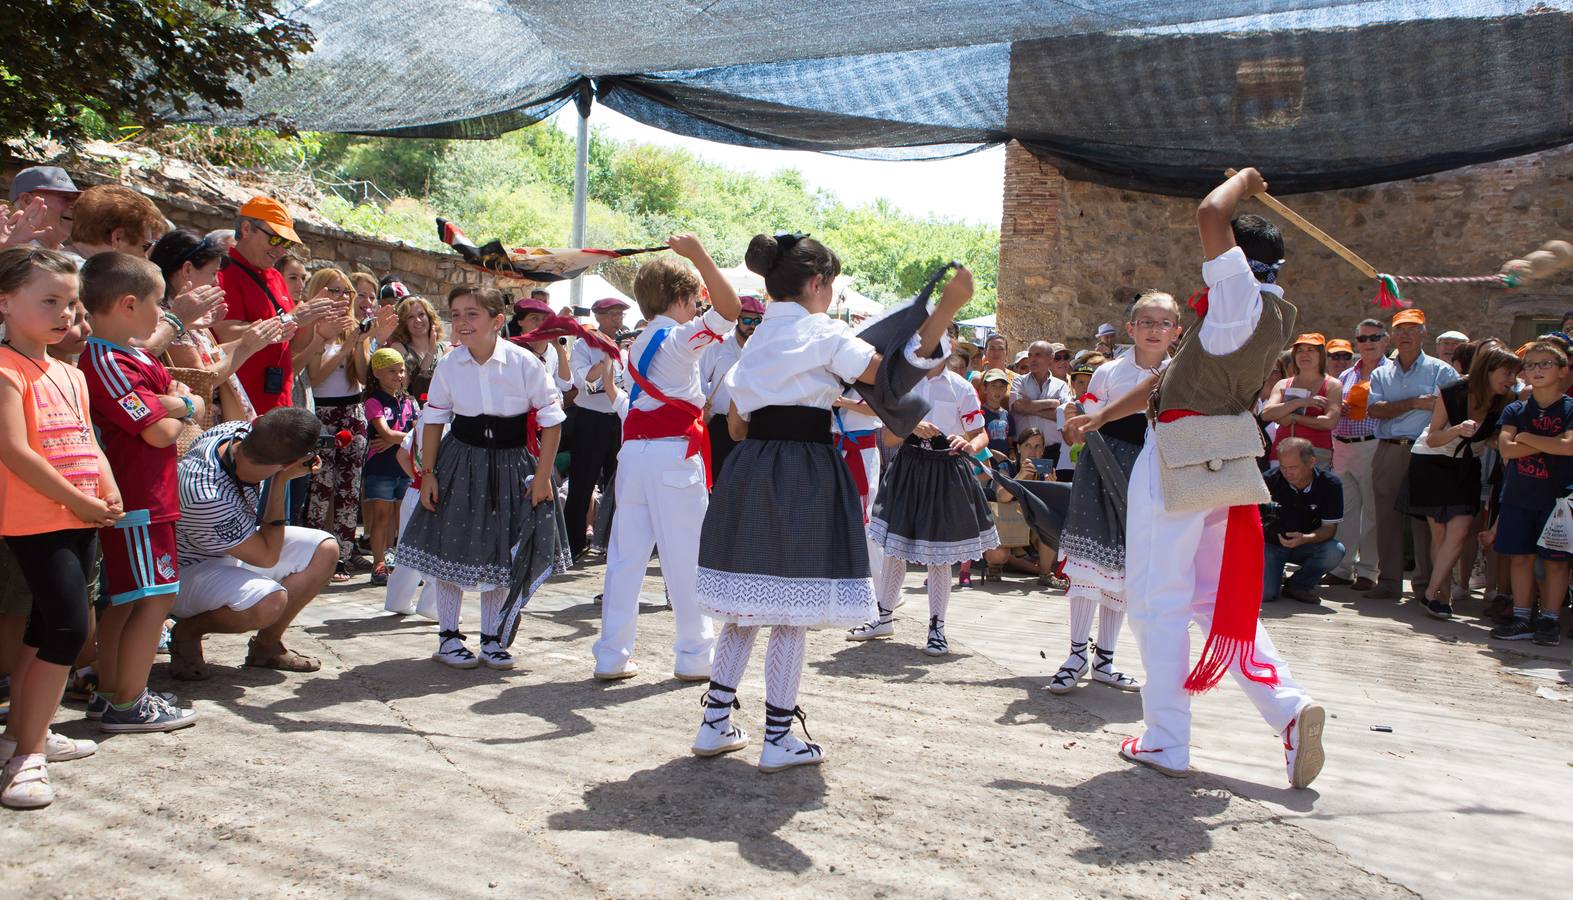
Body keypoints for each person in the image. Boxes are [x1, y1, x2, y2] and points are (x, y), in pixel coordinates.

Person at [1067, 168, 1325, 789]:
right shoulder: (1257, 314)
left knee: (1157, 602)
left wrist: (1244, 180)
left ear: (1237, 256)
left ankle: (1165, 740)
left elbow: (1211, 212)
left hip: (1177, 461)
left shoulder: (1237, 298)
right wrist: (1102, 413)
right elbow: (1169, 381)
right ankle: (1288, 710)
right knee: (1216, 602)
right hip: (1220, 461)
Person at [693, 232, 971, 770]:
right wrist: (948, 308)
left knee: (746, 608)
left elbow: (735, 422)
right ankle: (778, 738)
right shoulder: (822, 332)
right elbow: (891, 378)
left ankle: (715, 723)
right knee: (791, 613)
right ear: (817, 283)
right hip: (803, 468)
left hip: (749, 470)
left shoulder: (755, 342)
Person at [592, 237, 739, 682]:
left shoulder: (639, 342)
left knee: (624, 559)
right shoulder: (677, 339)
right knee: (685, 559)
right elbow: (730, 309)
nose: (699, 308)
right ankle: (695, 655)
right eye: (694, 301)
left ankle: (611, 656)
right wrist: (699, 256)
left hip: (634, 457)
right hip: (674, 457)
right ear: (679, 299)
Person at [0, 247, 116, 809]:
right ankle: (27, 756)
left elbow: (86, 438)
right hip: (36, 521)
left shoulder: (70, 372)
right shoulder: (5, 370)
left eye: (70, 303)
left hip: (80, 515)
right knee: (69, 630)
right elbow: (16, 453)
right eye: (48, 301)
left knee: (42, 629)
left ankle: (23, 736)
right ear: (5, 301)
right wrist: (79, 500)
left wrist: (107, 487)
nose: (64, 314)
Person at [400, 287, 566, 670]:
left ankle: (492, 638)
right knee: (451, 548)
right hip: (460, 461)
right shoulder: (450, 365)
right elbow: (435, 419)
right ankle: (447, 637)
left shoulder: (525, 363)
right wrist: (428, 474)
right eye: (456, 314)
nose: (461, 322)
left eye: (471, 314)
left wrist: (543, 479)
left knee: (501, 550)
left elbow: (552, 423)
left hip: (513, 464)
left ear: (496, 321)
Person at [76, 252, 201, 733]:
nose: (161, 314)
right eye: (157, 303)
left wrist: (169, 401)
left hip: (151, 500)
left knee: (130, 600)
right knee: (153, 599)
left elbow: (160, 406)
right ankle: (129, 702)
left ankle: (113, 694)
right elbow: (157, 431)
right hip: (138, 503)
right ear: (128, 305)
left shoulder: (125, 356)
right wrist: (184, 404)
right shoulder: (105, 361)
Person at [1052, 290, 1177, 694]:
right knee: (1090, 559)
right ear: (1131, 328)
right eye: (1146, 322)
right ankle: (1075, 655)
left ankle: (1105, 659)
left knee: (1126, 566)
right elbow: (1085, 418)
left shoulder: (1181, 374)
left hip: (1151, 472)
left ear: (1177, 330)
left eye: (1164, 323)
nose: (1155, 330)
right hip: (1101, 469)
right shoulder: (1109, 372)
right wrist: (1074, 422)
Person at [168, 408, 337, 680]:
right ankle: (187, 631)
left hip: (226, 548)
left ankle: (266, 647)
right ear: (287, 463)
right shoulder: (208, 495)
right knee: (268, 602)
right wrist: (281, 481)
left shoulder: (235, 431)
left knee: (325, 549)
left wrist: (280, 469)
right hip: (186, 570)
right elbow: (268, 556)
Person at [855, 334, 997, 653]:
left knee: (938, 554)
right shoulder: (906, 385)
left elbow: (980, 434)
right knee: (895, 546)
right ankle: (884, 617)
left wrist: (968, 444)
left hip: (945, 469)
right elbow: (889, 438)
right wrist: (910, 426)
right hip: (909, 466)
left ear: (951, 348)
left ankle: (937, 628)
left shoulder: (961, 388)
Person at [1409, 345, 1520, 618]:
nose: (1511, 380)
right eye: (1507, 373)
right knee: (1441, 535)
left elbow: (1493, 436)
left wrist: (1497, 441)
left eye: (1514, 374)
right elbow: (1433, 436)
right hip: (1432, 463)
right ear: (1489, 370)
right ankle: (1441, 597)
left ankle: (1430, 593)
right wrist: (1457, 430)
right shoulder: (1452, 391)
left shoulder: (1506, 400)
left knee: (1458, 532)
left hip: (1467, 466)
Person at [213, 196, 343, 416]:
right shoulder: (223, 272)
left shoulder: (275, 276)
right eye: (275, 239)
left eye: (287, 243)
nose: (282, 250)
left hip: (280, 400)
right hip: (241, 403)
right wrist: (290, 319)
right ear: (246, 229)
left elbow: (295, 345)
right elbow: (225, 335)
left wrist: (312, 318)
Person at [304, 269, 392, 581]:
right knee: (321, 488)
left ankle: (341, 555)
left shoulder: (352, 328)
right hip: (323, 415)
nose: (342, 298)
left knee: (348, 490)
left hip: (352, 411)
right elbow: (314, 377)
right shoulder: (314, 328)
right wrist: (340, 345)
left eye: (346, 292)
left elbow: (361, 375)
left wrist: (359, 342)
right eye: (335, 290)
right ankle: (315, 558)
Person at [1366, 308, 1460, 600]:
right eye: (1400, 329)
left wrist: (1399, 406)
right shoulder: (1382, 372)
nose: (1405, 335)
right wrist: (1414, 403)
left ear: (1424, 333)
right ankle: (1389, 581)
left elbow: (1451, 408)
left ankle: (1425, 584)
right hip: (1390, 449)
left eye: (1412, 329)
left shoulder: (1441, 371)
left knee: (1425, 519)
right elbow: (1374, 410)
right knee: (1387, 517)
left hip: (1427, 452)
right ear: (1392, 335)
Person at [149, 229, 287, 425]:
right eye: (213, 273)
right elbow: (202, 380)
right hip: (198, 429)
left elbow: (209, 355)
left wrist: (256, 339)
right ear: (187, 270)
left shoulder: (185, 310)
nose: (216, 282)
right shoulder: (169, 316)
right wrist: (245, 348)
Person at [1488, 341, 1573, 646]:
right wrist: (1546, 442)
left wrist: (1525, 437)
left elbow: (1569, 446)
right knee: (1520, 558)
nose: (1537, 370)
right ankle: (1523, 616)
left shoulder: (1570, 409)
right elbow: (1506, 448)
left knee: (1555, 561)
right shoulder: (1516, 408)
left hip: (1557, 501)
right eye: (1531, 365)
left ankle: (1550, 619)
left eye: (1545, 364)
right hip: (1518, 495)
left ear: (1563, 371)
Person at [1325, 319, 1391, 592]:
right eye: (1363, 339)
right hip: (1342, 444)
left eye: (1375, 337)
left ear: (1386, 340)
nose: (1369, 343)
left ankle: (1367, 570)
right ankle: (1343, 567)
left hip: (1372, 443)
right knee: (1347, 510)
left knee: (1372, 512)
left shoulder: (1391, 372)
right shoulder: (1346, 375)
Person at [565, 296, 632, 560]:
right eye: (613, 314)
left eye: (620, 315)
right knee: (582, 484)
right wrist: (606, 354)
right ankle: (573, 544)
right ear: (598, 317)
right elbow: (582, 381)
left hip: (619, 418)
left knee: (620, 484)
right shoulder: (584, 345)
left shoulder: (628, 346)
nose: (618, 320)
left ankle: (613, 544)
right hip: (590, 418)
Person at [1263, 438, 1345, 605]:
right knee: (1266, 594)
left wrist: (1306, 538)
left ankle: (1299, 585)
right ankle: (1274, 576)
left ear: (1312, 462)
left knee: (1334, 550)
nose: (1287, 473)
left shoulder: (1330, 484)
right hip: (1271, 546)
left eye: (1293, 467)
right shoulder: (1267, 481)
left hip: (1308, 543)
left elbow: (1329, 529)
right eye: (1283, 467)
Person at [363, 349, 420, 587]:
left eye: (402, 371)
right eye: (392, 371)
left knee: (404, 517)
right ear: (377, 373)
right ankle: (378, 564)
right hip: (381, 468)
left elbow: (419, 432)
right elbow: (384, 432)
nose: (399, 375)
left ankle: (404, 565)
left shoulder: (409, 401)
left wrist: (394, 438)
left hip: (405, 469)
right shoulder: (374, 401)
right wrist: (399, 437)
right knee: (381, 517)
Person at [700, 294, 765, 477]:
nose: (752, 325)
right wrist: (703, 405)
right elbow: (699, 377)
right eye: (746, 319)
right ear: (737, 320)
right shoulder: (718, 346)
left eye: (757, 321)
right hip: (720, 423)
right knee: (718, 476)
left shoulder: (764, 349)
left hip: (753, 425)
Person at [1260, 333, 1342, 467]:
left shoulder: (1332, 385)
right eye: (1300, 351)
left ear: (1321, 355)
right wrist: (1301, 402)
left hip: (1315, 454)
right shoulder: (1283, 384)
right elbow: (1266, 413)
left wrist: (1293, 418)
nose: (1304, 354)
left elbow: (1329, 422)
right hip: (1282, 454)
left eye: (1311, 350)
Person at [1011, 341, 1073, 478]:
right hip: (1025, 450)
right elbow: (1018, 406)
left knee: (1049, 491)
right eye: (1030, 355)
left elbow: (1063, 415)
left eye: (1038, 355)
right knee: (1026, 490)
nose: (1032, 359)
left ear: (1050, 358)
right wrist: (1052, 403)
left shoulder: (1061, 386)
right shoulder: (1018, 381)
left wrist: (1029, 407)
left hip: (1052, 452)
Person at [386, 295, 449, 398]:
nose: (418, 320)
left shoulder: (445, 348)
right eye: (410, 317)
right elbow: (404, 388)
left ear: (429, 317)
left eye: (421, 315)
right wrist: (430, 352)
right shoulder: (399, 349)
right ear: (404, 323)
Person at [5, 166, 80, 250]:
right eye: (65, 197)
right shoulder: (11, 252)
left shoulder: (69, 256)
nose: (74, 205)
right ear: (27, 201)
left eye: (76, 199)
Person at [979, 368, 1013, 457]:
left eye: (1002, 386)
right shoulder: (979, 414)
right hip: (985, 461)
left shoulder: (1007, 414)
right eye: (993, 386)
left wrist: (1012, 451)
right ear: (985, 389)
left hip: (1004, 463)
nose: (998, 390)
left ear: (1006, 390)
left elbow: (1009, 438)